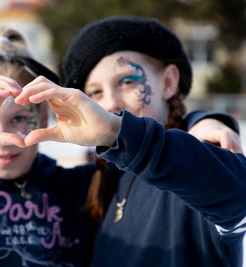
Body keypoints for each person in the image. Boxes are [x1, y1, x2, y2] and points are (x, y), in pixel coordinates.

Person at [0, 25, 243, 267]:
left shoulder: (81, 188)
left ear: (44, 120)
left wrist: (200, 120)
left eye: (20, 119)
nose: (1, 139)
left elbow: (178, 176)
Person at [59, 15, 244, 266]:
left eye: (126, 81)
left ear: (168, 82)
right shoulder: (101, 182)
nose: (111, 102)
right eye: (95, 92)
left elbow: (234, 191)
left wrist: (201, 122)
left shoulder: (197, 161)